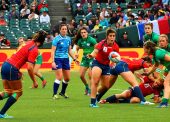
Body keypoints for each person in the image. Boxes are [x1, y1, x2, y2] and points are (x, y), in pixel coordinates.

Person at [0, 30, 47, 118]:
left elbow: (17, 54)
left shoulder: (27, 43)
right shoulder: (34, 49)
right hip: (12, 68)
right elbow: (29, 68)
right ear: (41, 42)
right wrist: (34, 81)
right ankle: (1, 113)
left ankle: (1, 113)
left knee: (8, 91)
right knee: (18, 92)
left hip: (5, 65)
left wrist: (16, 69)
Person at [87, 28, 119, 107]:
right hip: (97, 63)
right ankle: (92, 102)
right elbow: (95, 52)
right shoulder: (102, 43)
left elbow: (116, 58)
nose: (112, 37)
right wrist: (91, 55)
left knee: (106, 86)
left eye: (113, 36)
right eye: (110, 36)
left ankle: (95, 93)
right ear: (107, 36)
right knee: (96, 82)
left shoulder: (116, 47)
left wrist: (114, 63)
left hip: (106, 66)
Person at [51, 24, 79, 99]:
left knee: (67, 78)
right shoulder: (56, 39)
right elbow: (53, 51)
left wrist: (74, 59)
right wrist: (53, 61)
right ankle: (54, 94)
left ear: (67, 30)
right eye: (62, 29)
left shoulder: (68, 39)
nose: (64, 30)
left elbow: (69, 50)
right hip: (57, 59)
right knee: (59, 77)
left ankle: (62, 92)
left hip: (66, 59)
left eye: (65, 29)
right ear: (60, 30)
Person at [99, 72, 164, 104]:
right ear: (155, 80)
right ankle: (105, 100)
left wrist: (160, 100)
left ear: (159, 87)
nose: (155, 84)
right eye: (156, 82)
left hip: (139, 96)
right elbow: (137, 73)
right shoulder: (149, 80)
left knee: (136, 100)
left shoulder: (156, 90)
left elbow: (155, 100)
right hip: (133, 90)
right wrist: (142, 77)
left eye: (158, 85)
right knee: (125, 94)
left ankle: (119, 101)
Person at [143, 41, 170, 107]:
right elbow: (156, 65)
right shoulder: (155, 54)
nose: (144, 51)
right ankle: (165, 102)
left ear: (149, 49)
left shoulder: (158, 53)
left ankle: (164, 103)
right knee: (167, 82)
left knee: (166, 83)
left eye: (145, 49)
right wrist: (148, 73)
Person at [74, 27, 97, 95]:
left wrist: (92, 54)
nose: (83, 34)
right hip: (84, 58)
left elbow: (97, 48)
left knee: (90, 75)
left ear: (87, 33)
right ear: (80, 34)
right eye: (82, 33)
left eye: (84, 32)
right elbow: (77, 49)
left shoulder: (91, 40)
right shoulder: (80, 41)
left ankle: (90, 90)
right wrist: (76, 54)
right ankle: (87, 87)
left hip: (91, 58)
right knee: (81, 75)